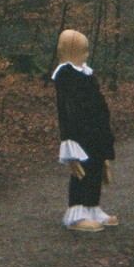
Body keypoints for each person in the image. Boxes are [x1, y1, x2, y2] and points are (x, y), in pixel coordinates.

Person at [52, 29, 118, 232]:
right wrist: (69, 142)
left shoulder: (87, 75)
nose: (87, 54)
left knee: (96, 168)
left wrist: (105, 142)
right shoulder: (66, 76)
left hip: (95, 131)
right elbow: (67, 111)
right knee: (81, 171)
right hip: (80, 133)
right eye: (83, 50)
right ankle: (77, 212)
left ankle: (92, 207)